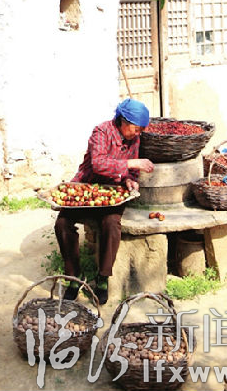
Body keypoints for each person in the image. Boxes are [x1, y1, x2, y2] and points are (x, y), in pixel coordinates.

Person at [54, 98, 155, 305]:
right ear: (123, 122)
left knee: (111, 224)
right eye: (136, 129)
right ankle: (73, 277)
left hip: (112, 192)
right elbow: (99, 164)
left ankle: (102, 277)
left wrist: (130, 180)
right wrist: (131, 163)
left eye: (140, 131)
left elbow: (132, 172)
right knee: (62, 224)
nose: (138, 135)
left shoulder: (134, 139)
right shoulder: (101, 132)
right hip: (87, 186)